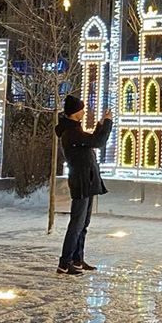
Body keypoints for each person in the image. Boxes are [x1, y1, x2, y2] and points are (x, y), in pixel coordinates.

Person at [56, 94, 112, 276]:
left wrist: (101, 124)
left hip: (87, 181)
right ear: (74, 113)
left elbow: (92, 140)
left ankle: (77, 260)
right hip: (81, 182)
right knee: (76, 224)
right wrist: (108, 124)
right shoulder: (71, 132)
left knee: (83, 223)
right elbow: (98, 142)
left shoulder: (75, 130)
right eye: (81, 109)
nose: (83, 111)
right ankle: (65, 263)